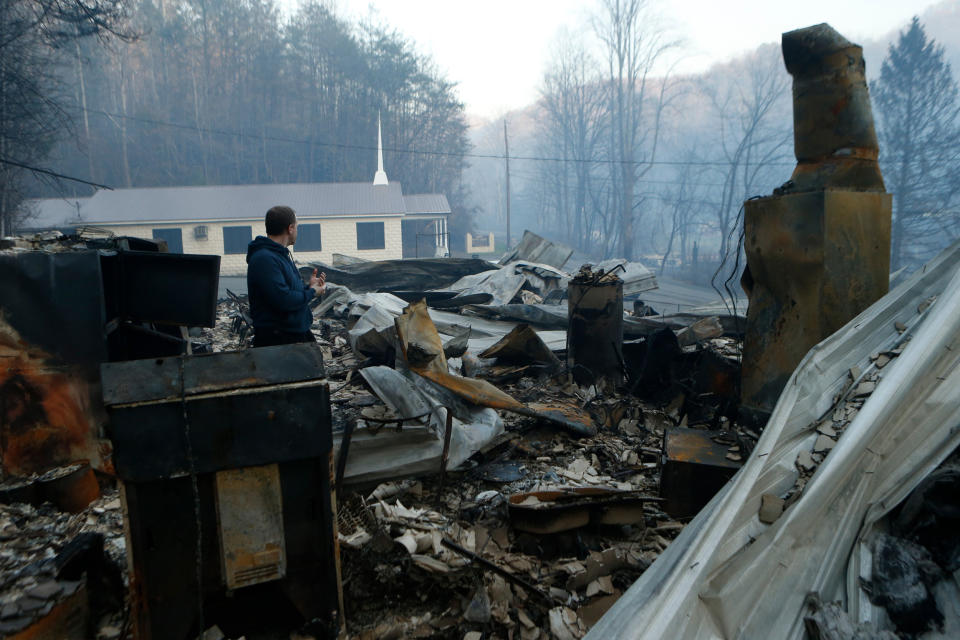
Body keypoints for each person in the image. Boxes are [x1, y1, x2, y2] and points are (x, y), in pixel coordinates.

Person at [246, 205, 326, 347]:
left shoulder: (280, 255)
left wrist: (308, 286)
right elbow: (283, 300)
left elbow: (288, 291)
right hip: (278, 342)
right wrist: (313, 292)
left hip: (293, 336)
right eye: (297, 227)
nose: (297, 231)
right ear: (290, 228)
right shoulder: (264, 259)